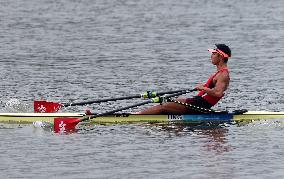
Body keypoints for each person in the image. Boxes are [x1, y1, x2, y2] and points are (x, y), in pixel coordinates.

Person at [137, 44, 231, 114]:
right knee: (168, 103)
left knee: (163, 106)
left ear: (221, 57)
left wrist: (203, 88)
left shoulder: (223, 74)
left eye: (214, 54)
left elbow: (218, 93)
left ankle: (136, 116)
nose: (211, 56)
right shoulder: (220, 73)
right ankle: (143, 115)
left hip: (200, 105)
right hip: (197, 102)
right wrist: (204, 88)